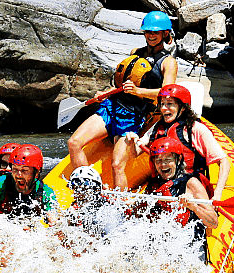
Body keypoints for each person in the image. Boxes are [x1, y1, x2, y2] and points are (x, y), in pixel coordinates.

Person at [67, 10, 178, 190]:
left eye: (155, 32)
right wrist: (105, 93)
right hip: (112, 106)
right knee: (74, 143)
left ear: (165, 33)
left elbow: (167, 93)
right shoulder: (136, 52)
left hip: (134, 116)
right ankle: (87, 191)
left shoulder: (168, 62)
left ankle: (121, 207)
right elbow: (124, 83)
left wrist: (137, 91)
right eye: (148, 31)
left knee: (117, 165)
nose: (151, 35)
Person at [132, 83, 231, 201]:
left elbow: (223, 161)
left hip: (190, 187)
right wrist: (131, 141)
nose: (164, 108)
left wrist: (218, 194)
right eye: (162, 104)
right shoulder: (157, 127)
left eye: (169, 104)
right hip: (162, 184)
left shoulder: (195, 129)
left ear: (182, 108)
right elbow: (135, 152)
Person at [141, 137, 219, 261]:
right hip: (162, 247)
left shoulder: (191, 183)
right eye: (158, 161)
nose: (163, 165)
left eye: (168, 160)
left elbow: (213, 222)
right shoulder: (154, 185)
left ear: (178, 160)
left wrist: (193, 207)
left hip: (189, 249)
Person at [64, 166, 125, 238]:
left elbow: (131, 206)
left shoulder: (110, 202)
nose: (80, 194)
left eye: (84, 189)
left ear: (96, 189)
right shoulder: (73, 211)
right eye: (76, 189)